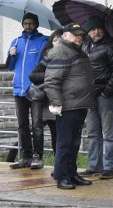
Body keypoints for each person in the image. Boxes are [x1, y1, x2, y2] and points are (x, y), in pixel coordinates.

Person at [43, 24, 94, 190]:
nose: (78, 37)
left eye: (80, 34)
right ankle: (61, 176)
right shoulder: (60, 51)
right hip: (67, 105)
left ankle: (72, 173)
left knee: (74, 142)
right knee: (65, 142)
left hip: (79, 103)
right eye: (74, 34)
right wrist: (56, 102)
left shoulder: (78, 51)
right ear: (65, 35)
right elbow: (51, 81)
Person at [80, 16, 113, 179]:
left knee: (108, 133)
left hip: (105, 96)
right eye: (93, 29)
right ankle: (94, 165)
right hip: (88, 95)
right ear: (88, 31)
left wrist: (107, 91)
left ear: (104, 29)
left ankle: (110, 167)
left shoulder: (112, 46)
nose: (96, 32)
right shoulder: (85, 46)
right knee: (92, 132)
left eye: (99, 28)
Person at [5, 12, 48, 170]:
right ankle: (25, 157)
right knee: (22, 125)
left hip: (35, 89)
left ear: (36, 25)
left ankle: (38, 157)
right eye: (26, 23)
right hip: (19, 90)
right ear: (22, 24)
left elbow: (47, 64)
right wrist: (12, 55)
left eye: (31, 23)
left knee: (37, 124)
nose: (28, 26)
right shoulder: (16, 41)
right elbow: (10, 66)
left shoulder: (44, 41)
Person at [28, 29, 63, 159]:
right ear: (51, 43)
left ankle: (58, 161)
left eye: (60, 40)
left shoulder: (68, 57)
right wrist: (50, 75)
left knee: (57, 131)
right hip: (44, 97)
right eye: (54, 40)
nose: (57, 43)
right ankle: (37, 156)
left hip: (58, 98)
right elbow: (32, 75)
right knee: (37, 126)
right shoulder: (47, 56)